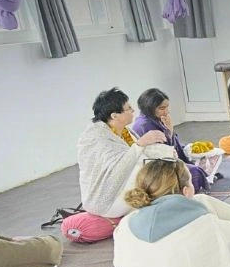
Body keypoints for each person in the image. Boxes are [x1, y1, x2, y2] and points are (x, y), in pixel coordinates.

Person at [74, 88, 176, 233]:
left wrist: (167, 142)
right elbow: (119, 170)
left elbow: (140, 151)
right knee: (155, 169)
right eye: (128, 108)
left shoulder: (124, 131)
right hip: (104, 201)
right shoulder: (95, 138)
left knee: (165, 163)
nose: (133, 110)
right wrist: (142, 144)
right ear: (115, 115)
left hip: (120, 191)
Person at [132, 88, 224, 193]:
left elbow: (173, 144)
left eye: (167, 107)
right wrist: (170, 130)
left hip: (175, 154)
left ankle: (206, 177)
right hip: (161, 167)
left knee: (213, 153)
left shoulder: (156, 118)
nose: (166, 111)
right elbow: (163, 153)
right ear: (150, 108)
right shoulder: (144, 125)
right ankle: (203, 179)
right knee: (194, 172)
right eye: (162, 108)